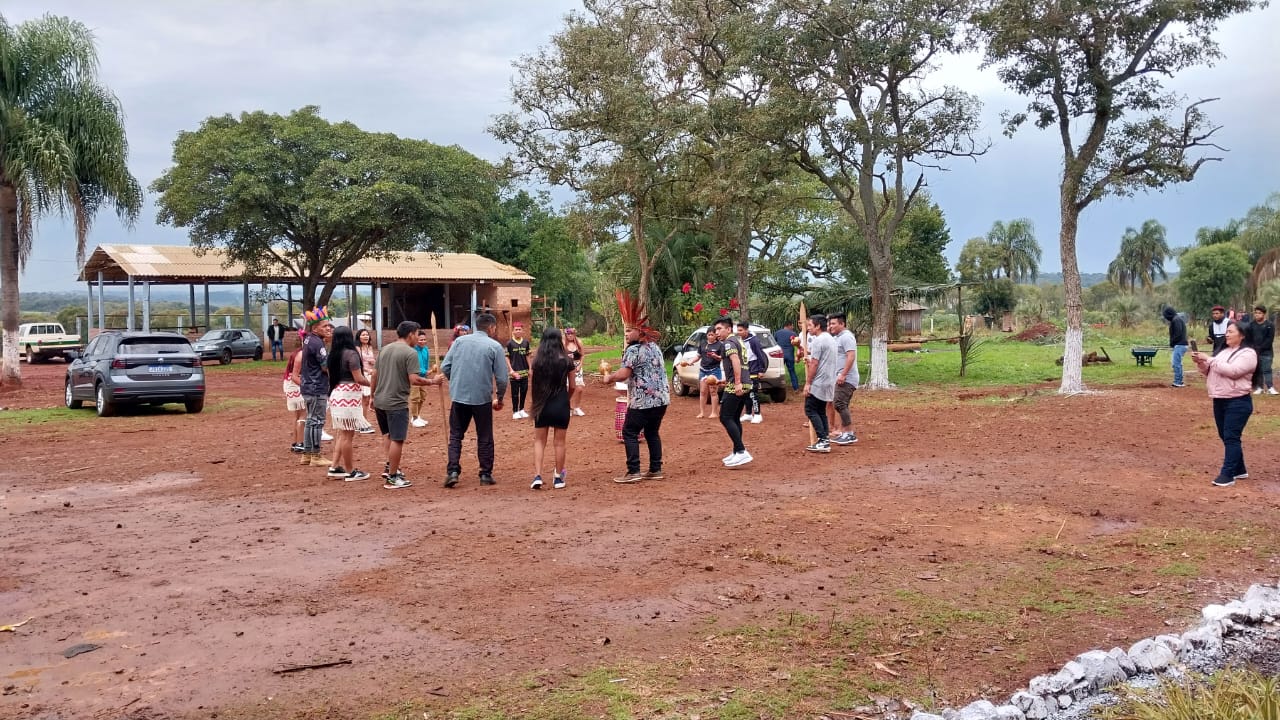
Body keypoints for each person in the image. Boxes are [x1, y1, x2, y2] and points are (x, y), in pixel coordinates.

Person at [606, 292, 670, 483]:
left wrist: (609, 378)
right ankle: (655, 469)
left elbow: (624, 374)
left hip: (643, 401)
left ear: (640, 332)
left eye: (629, 331)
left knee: (629, 432)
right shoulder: (654, 347)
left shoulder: (633, 350)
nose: (626, 334)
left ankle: (634, 471)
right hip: (661, 399)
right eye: (625, 331)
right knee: (652, 432)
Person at [440, 313, 509, 487]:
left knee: (456, 435)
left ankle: (453, 471)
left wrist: (456, 381)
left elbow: (445, 366)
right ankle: (485, 474)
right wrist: (500, 397)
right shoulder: (495, 346)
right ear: (491, 328)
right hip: (482, 398)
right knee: (484, 436)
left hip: (459, 396)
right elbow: (502, 378)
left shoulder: (459, 342)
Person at [373, 321, 440, 490]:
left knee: (388, 435)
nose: (418, 337)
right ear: (411, 334)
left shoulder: (385, 349)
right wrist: (432, 381)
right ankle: (393, 477)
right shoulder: (410, 353)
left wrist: (373, 396)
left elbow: (374, 374)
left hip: (380, 400)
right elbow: (414, 379)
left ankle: (391, 467)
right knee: (397, 439)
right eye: (417, 334)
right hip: (396, 402)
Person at [1190, 321, 1257, 487]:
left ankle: (1228, 474)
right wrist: (1201, 362)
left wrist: (1209, 359)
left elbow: (1233, 372)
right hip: (1219, 399)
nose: (1227, 334)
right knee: (1225, 435)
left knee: (1231, 437)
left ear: (1242, 335)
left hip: (1238, 401)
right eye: (1227, 331)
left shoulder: (1248, 354)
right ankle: (1240, 469)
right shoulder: (1223, 352)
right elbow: (1210, 370)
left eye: (1231, 332)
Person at [528, 327, 575, 489]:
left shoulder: (537, 361)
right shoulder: (567, 361)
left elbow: (533, 385)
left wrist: (536, 403)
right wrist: (566, 400)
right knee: (559, 443)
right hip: (561, 404)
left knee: (539, 441)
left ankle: (537, 475)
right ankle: (558, 478)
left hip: (541, 404)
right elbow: (573, 386)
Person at [325, 326, 373, 481]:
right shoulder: (351, 354)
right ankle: (350, 470)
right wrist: (373, 385)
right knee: (347, 435)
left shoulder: (333, 354)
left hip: (337, 393)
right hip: (348, 395)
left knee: (343, 433)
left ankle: (334, 466)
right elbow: (359, 378)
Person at [713, 317, 752, 467]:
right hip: (745, 383)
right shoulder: (738, 340)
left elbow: (735, 360)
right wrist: (726, 380)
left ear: (728, 329)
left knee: (725, 417)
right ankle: (737, 451)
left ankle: (741, 451)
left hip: (738, 384)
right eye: (715, 330)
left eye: (719, 329)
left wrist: (736, 382)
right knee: (734, 418)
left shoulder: (729, 343)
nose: (717, 332)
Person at [297, 307, 333, 466]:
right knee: (317, 421)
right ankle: (316, 455)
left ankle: (307, 454)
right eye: (325, 326)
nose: (328, 328)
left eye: (329, 325)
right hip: (317, 386)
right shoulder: (318, 343)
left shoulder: (308, 340)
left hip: (307, 386)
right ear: (315, 328)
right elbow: (325, 366)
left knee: (310, 420)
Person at [804, 313, 839, 453]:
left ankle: (823, 440)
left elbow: (815, 363)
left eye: (810, 325)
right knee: (820, 410)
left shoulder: (818, 341)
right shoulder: (831, 339)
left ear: (818, 326)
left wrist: (808, 383)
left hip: (819, 381)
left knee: (810, 409)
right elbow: (820, 359)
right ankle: (825, 439)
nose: (808, 328)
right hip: (829, 379)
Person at [827, 313, 859, 445]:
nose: (831, 326)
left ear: (842, 324)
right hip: (840, 376)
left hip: (847, 378)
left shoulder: (846, 337)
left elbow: (851, 356)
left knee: (839, 403)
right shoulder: (837, 338)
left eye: (833, 324)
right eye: (830, 324)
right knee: (840, 404)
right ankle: (845, 432)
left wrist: (843, 374)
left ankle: (849, 433)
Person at [736, 323, 766, 424]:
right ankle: (748, 413)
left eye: (741, 330)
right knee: (746, 393)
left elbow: (760, 355)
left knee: (753, 393)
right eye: (738, 330)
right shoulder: (739, 340)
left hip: (753, 370)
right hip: (744, 370)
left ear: (746, 330)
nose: (739, 332)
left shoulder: (753, 341)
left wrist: (761, 370)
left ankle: (757, 414)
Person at [283, 333, 305, 452]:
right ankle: (300, 443)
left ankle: (295, 442)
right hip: (297, 384)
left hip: (290, 385)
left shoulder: (295, 353)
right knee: (303, 415)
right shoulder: (303, 354)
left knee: (297, 415)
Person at [694, 330, 723, 419]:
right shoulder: (703, 343)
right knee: (703, 391)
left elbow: (722, 358)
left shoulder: (720, 345)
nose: (710, 336)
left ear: (715, 336)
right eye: (709, 335)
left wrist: (716, 356)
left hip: (714, 370)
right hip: (703, 370)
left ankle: (714, 412)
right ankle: (702, 412)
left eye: (712, 335)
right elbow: (698, 356)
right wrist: (690, 361)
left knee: (713, 392)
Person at [355, 328, 378, 434]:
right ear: (358, 337)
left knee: (367, 399)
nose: (366, 336)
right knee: (363, 400)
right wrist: (367, 370)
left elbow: (372, 360)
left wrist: (373, 363)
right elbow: (357, 364)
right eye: (363, 335)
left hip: (370, 375)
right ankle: (362, 423)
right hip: (362, 375)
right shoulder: (357, 348)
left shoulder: (370, 347)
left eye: (367, 335)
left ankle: (362, 421)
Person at [506, 322, 532, 419]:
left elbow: (528, 356)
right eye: (516, 329)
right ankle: (515, 411)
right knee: (515, 393)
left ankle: (521, 409)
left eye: (519, 329)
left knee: (524, 391)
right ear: (513, 331)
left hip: (524, 371)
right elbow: (507, 357)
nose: (518, 331)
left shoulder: (526, 342)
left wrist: (530, 368)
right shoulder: (509, 343)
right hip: (514, 372)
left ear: (522, 331)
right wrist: (511, 370)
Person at [1249, 305, 1275, 395]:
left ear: (1264, 314)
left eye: (1259, 313)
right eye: (1256, 313)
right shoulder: (1251, 325)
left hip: (1267, 352)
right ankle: (1259, 387)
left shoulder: (1270, 325)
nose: (1257, 315)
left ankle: (1270, 387)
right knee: (1258, 370)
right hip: (1254, 352)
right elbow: (1249, 338)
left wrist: (1260, 347)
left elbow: (1269, 339)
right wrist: (1253, 348)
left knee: (1267, 369)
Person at [409, 329, 432, 428]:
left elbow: (426, 362)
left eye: (424, 339)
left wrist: (427, 371)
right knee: (415, 398)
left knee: (422, 397)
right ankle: (414, 418)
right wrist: (424, 371)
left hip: (423, 377)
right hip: (415, 376)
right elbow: (414, 365)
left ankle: (417, 415)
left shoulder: (425, 349)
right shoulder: (413, 350)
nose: (423, 341)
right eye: (420, 340)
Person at [1163, 305, 1188, 388]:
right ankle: (1179, 381)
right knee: (1176, 363)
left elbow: (1178, 333)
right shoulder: (1177, 319)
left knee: (1176, 363)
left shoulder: (1176, 320)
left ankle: (1178, 382)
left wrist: (1172, 342)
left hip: (1179, 344)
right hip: (1180, 344)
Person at [563, 327, 587, 416]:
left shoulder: (579, 343)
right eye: (568, 334)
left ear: (574, 334)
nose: (570, 335)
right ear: (566, 335)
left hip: (577, 367)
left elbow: (582, 355)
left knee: (579, 388)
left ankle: (577, 407)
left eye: (571, 334)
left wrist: (580, 365)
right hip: (566, 368)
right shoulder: (563, 344)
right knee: (567, 388)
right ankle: (567, 407)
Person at [774, 321, 800, 391]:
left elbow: (774, 343)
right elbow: (797, 343)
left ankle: (778, 388)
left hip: (780, 355)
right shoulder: (793, 333)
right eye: (792, 326)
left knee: (779, 372)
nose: (793, 327)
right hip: (790, 355)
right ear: (789, 325)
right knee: (792, 371)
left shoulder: (777, 333)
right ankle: (796, 388)